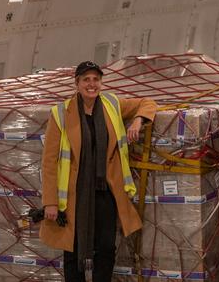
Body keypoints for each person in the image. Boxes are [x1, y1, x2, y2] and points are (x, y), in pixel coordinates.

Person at [40, 61, 157, 282]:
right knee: (73, 249)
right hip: (75, 195)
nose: (91, 84)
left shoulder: (112, 104)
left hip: (106, 191)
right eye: (86, 80)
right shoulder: (61, 113)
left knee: (105, 247)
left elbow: (147, 102)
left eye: (96, 79)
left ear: (101, 83)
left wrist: (137, 122)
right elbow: (49, 162)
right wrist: (50, 202)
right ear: (77, 84)